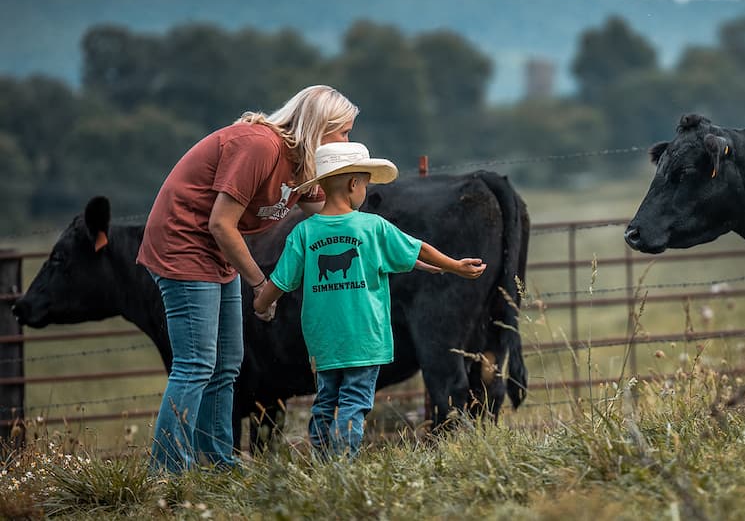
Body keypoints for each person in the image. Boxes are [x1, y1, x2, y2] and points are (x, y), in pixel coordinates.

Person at [137, 85, 357, 473]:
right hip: (183, 244)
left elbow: (330, 213)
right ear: (320, 127)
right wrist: (261, 285)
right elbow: (220, 223)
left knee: (227, 364)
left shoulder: (299, 166)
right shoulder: (261, 146)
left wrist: (370, 213)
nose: (346, 141)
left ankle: (219, 462)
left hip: (217, 253)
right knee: (196, 363)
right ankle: (166, 469)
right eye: (343, 133)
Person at [253, 141, 487, 459]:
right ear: (354, 184)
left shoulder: (304, 233)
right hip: (365, 339)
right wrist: (455, 265)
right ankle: (342, 461)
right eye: (366, 183)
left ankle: (322, 456)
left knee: (326, 399)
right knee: (354, 401)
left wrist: (261, 303)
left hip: (323, 342)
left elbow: (280, 281)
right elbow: (417, 248)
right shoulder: (373, 227)